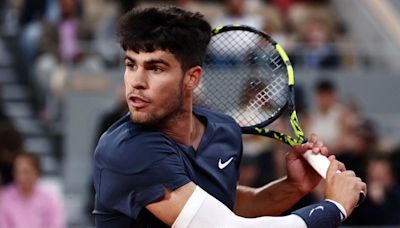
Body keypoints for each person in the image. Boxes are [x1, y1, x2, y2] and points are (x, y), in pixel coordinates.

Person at [93, 6, 366, 228]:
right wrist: (334, 208)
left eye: (155, 68)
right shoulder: (127, 152)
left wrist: (292, 188)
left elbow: (226, 205)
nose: (136, 82)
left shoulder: (224, 131)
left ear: (192, 79)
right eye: (131, 65)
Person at [0, 153, 65, 228]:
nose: (21, 177)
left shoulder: (50, 199)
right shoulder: (5, 197)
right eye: (17, 172)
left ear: (36, 172)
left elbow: (56, 225)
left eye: (25, 172)